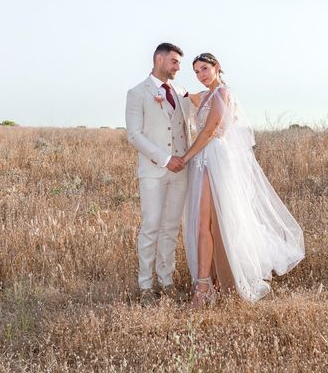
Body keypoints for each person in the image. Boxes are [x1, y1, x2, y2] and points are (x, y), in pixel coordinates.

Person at [182, 53, 305, 307]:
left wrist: (185, 157)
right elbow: (183, 96)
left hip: (214, 156)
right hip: (203, 159)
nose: (200, 75)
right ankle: (206, 282)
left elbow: (209, 129)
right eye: (196, 72)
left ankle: (209, 285)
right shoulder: (204, 96)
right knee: (203, 222)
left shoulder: (222, 94)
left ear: (217, 68)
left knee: (213, 221)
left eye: (204, 69)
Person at [125, 42, 192, 306]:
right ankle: (145, 286)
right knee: (151, 226)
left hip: (181, 171)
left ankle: (166, 282)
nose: (178, 67)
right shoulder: (137, 93)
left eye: (179, 63)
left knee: (171, 228)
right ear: (159, 59)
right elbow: (134, 135)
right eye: (174, 62)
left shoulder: (182, 91)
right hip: (154, 171)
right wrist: (166, 159)